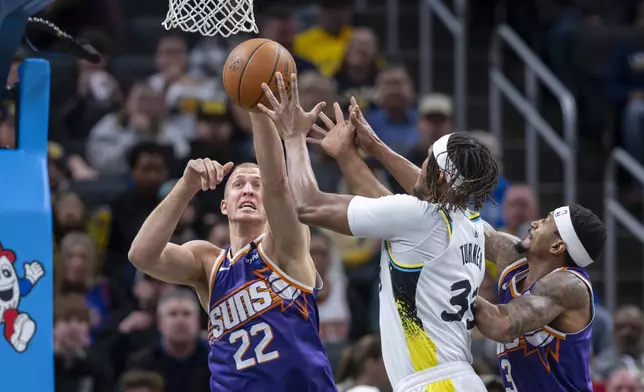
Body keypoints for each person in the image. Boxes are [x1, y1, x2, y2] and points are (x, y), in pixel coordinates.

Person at [257, 73, 499, 392]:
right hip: (462, 378)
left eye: (426, 159)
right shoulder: (474, 225)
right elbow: (384, 200)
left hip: (433, 383)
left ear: (438, 174)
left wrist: (293, 137)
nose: (420, 163)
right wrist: (356, 151)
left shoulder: (417, 217)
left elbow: (308, 205)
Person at [128, 87, 336, 390]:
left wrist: (255, 106)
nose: (249, 190)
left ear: (270, 205)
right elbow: (141, 256)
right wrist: (185, 187)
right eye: (238, 184)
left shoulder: (286, 243)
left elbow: (276, 182)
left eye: (256, 185)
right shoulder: (207, 262)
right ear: (224, 205)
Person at [475, 204, 606, 392]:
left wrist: (447, 287)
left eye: (545, 222)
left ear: (557, 246)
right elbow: (467, 229)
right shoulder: (514, 261)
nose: (535, 223)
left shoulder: (568, 286)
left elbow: (500, 325)